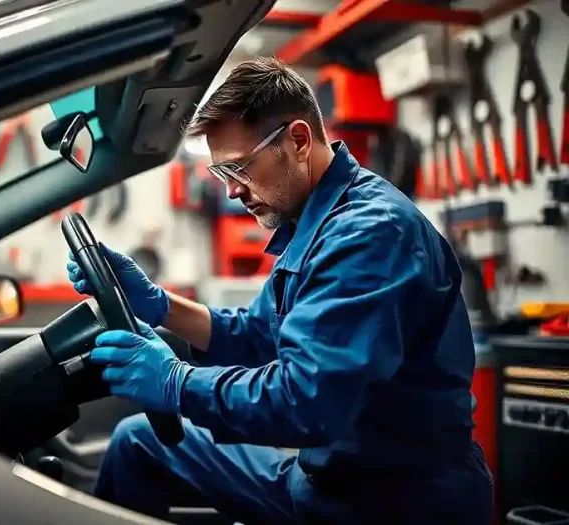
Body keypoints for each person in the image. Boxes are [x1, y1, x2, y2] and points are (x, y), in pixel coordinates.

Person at [66, 57, 493, 524]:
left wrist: (176, 383)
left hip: (395, 501)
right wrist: (160, 305)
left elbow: (306, 399)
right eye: (222, 175)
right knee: (137, 442)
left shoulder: (368, 234)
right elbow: (255, 333)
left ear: (298, 141)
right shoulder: (314, 223)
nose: (231, 192)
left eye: (239, 169)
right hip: (324, 480)